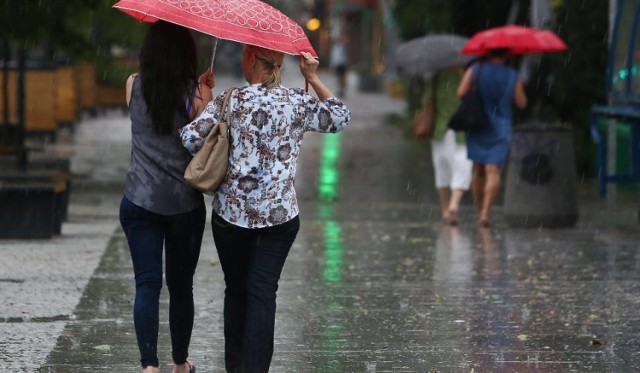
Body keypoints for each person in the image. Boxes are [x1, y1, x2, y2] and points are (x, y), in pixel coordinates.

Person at [180, 44, 351, 372]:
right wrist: (312, 77)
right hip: (280, 217)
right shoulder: (298, 102)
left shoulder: (231, 99)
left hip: (232, 215)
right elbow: (339, 117)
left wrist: (205, 97)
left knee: (236, 290)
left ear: (251, 60)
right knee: (263, 292)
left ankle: (235, 366)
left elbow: (189, 139)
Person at [119, 20, 214, 373]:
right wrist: (204, 92)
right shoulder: (193, 94)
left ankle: (149, 366)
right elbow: (206, 140)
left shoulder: (133, 84)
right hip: (182, 205)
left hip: (139, 199)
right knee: (180, 287)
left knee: (146, 284)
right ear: (185, 55)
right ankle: (179, 363)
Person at [456, 48, 527, 227]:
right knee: (493, 170)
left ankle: (480, 209)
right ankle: (486, 212)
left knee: (477, 170)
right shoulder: (512, 75)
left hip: (477, 123)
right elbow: (521, 102)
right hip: (501, 127)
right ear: (506, 55)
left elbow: (460, 92)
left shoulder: (476, 70)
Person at [423, 67, 473, 225]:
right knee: (463, 167)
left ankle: (446, 209)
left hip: (440, 129)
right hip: (461, 129)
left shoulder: (437, 77)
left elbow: (426, 101)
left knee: (442, 170)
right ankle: (454, 204)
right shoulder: (467, 77)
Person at [329, 33, 349, 97]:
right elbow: (333, 58)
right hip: (338, 64)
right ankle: (340, 89)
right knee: (339, 77)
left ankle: (342, 89)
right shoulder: (335, 48)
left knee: (342, 78)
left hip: (343, 64)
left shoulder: (343, 47)